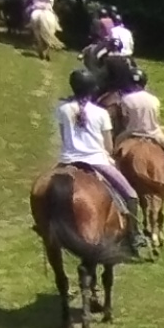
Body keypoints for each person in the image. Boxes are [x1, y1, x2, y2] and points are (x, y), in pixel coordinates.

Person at [53, 78, 141, 235]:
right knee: (131, 195)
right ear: (92, 90)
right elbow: (108, 146)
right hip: (96, 161)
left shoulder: (63, 109)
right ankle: (134, 235)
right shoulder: (101, 113)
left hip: (67, 160)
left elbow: (64, 137)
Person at [103, 63, 164, 188]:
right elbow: (156, 118)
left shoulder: (125, 99)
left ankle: (114, 173)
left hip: (130, 133)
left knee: (114, 150)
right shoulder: (154, 99)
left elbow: (125, 119)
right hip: (154, 133)